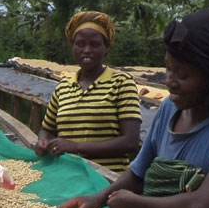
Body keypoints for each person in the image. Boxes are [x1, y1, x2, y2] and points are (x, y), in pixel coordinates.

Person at [56, 9, 209, 208]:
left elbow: (202, 206)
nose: (169, 81)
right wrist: (97, 200)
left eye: (182, 74)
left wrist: (137, 203)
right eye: (168, 69)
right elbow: (137, 174)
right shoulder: (169, 109)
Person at [34, 11, 142, 173]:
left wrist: (76, 147)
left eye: (95, 44)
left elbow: (130, 142)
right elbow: (47, 128)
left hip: (107, 180)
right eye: (80, 44)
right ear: (73, 47)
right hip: (67, 176)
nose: (86, 50)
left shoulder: (121, 83)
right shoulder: (63, 87)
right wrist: (43, 141)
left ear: (106, 48)